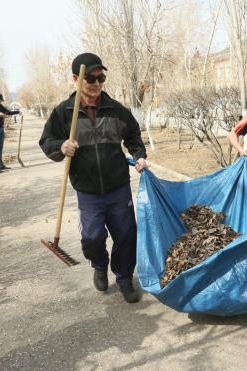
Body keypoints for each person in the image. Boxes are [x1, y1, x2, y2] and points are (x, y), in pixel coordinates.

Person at [39, 52, 148, 303]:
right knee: (92, 237)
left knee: (126, 235)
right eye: (91, 78)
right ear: (76, 79)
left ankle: (123, 277)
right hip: (87, 190)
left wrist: (139, 154)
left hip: (118, 186)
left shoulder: (116, 110)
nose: (97, 83)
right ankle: (99, 265)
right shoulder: (64, 113)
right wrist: (61, 147)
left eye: (101, 77)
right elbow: (47, 141)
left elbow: (133, 135)